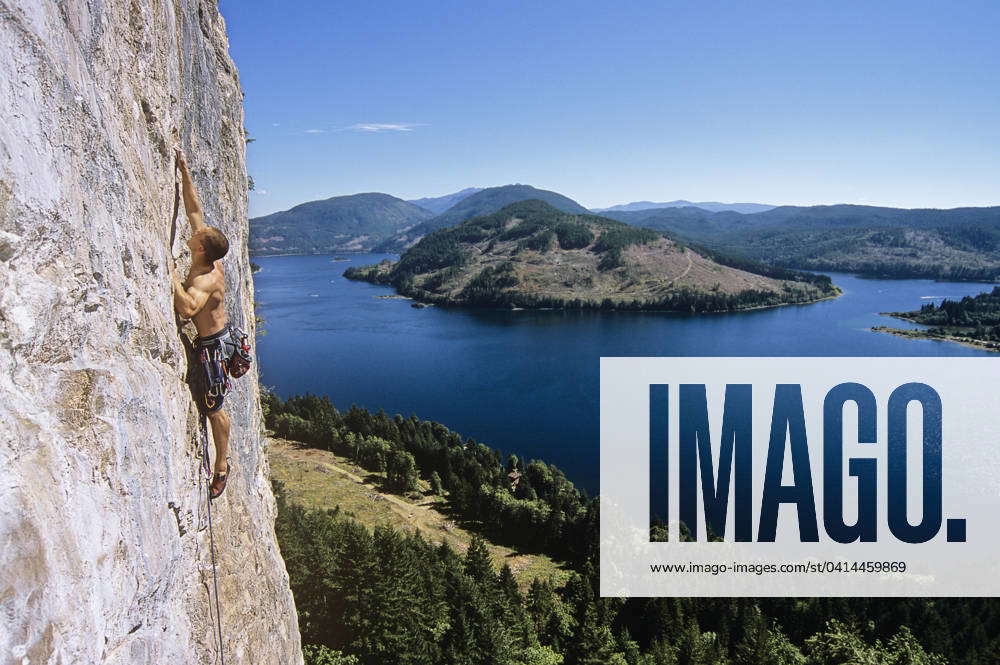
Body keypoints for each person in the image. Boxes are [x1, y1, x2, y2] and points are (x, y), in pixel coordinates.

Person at [171, 147, 234, 499]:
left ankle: (223, 464)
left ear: (199, 250)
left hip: (212, 347)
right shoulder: (209, 253)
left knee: (215, 410)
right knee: (215, 407)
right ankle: (223, 461)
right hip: (220, 337)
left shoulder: (206, 278)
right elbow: (194, 210)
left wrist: (168, 275)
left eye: (197, 234)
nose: (196, 230)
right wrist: (184, 169)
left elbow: (186, 308)